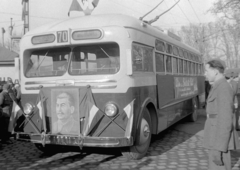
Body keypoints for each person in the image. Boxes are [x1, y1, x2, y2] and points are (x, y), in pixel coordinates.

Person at [203, 59, 240, 170]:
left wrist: (219, 148)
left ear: (215, 71)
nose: (205, 73)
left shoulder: (223, 88)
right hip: (215, 137)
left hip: (218, 140)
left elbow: (225, 121)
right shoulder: (218, 86)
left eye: (207, 70)